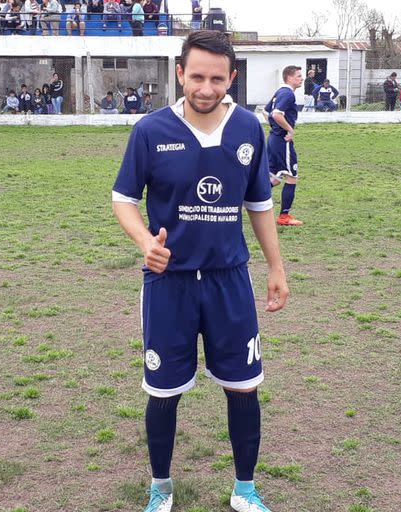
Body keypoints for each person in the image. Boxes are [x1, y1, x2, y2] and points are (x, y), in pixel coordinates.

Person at [112, 30, 289, 512]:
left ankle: (245, 490)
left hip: (228, 279)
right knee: (164, 390)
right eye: (196, 76)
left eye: (217, 78)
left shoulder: (249, 129)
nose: (206, 88)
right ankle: (160, 488)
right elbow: (124, 200)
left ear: (232, 77)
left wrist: (276, 267)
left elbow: (259, 203)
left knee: (243, 386)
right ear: (179, 74)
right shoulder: (150, 130)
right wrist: (146, 242)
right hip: (168, 285)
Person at [265, 65, 304, 226]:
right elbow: (276, 114)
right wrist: (289, 129)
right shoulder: (287, 93)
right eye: (298, 76)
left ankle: (242, 197)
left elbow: (266, 112)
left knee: (274, 179)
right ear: (289, 78)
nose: (301, 79)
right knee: (292, 176)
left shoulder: (279, 92)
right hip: (282, 141)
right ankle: (284, 216)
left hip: (274, 139)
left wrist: (274, 128)